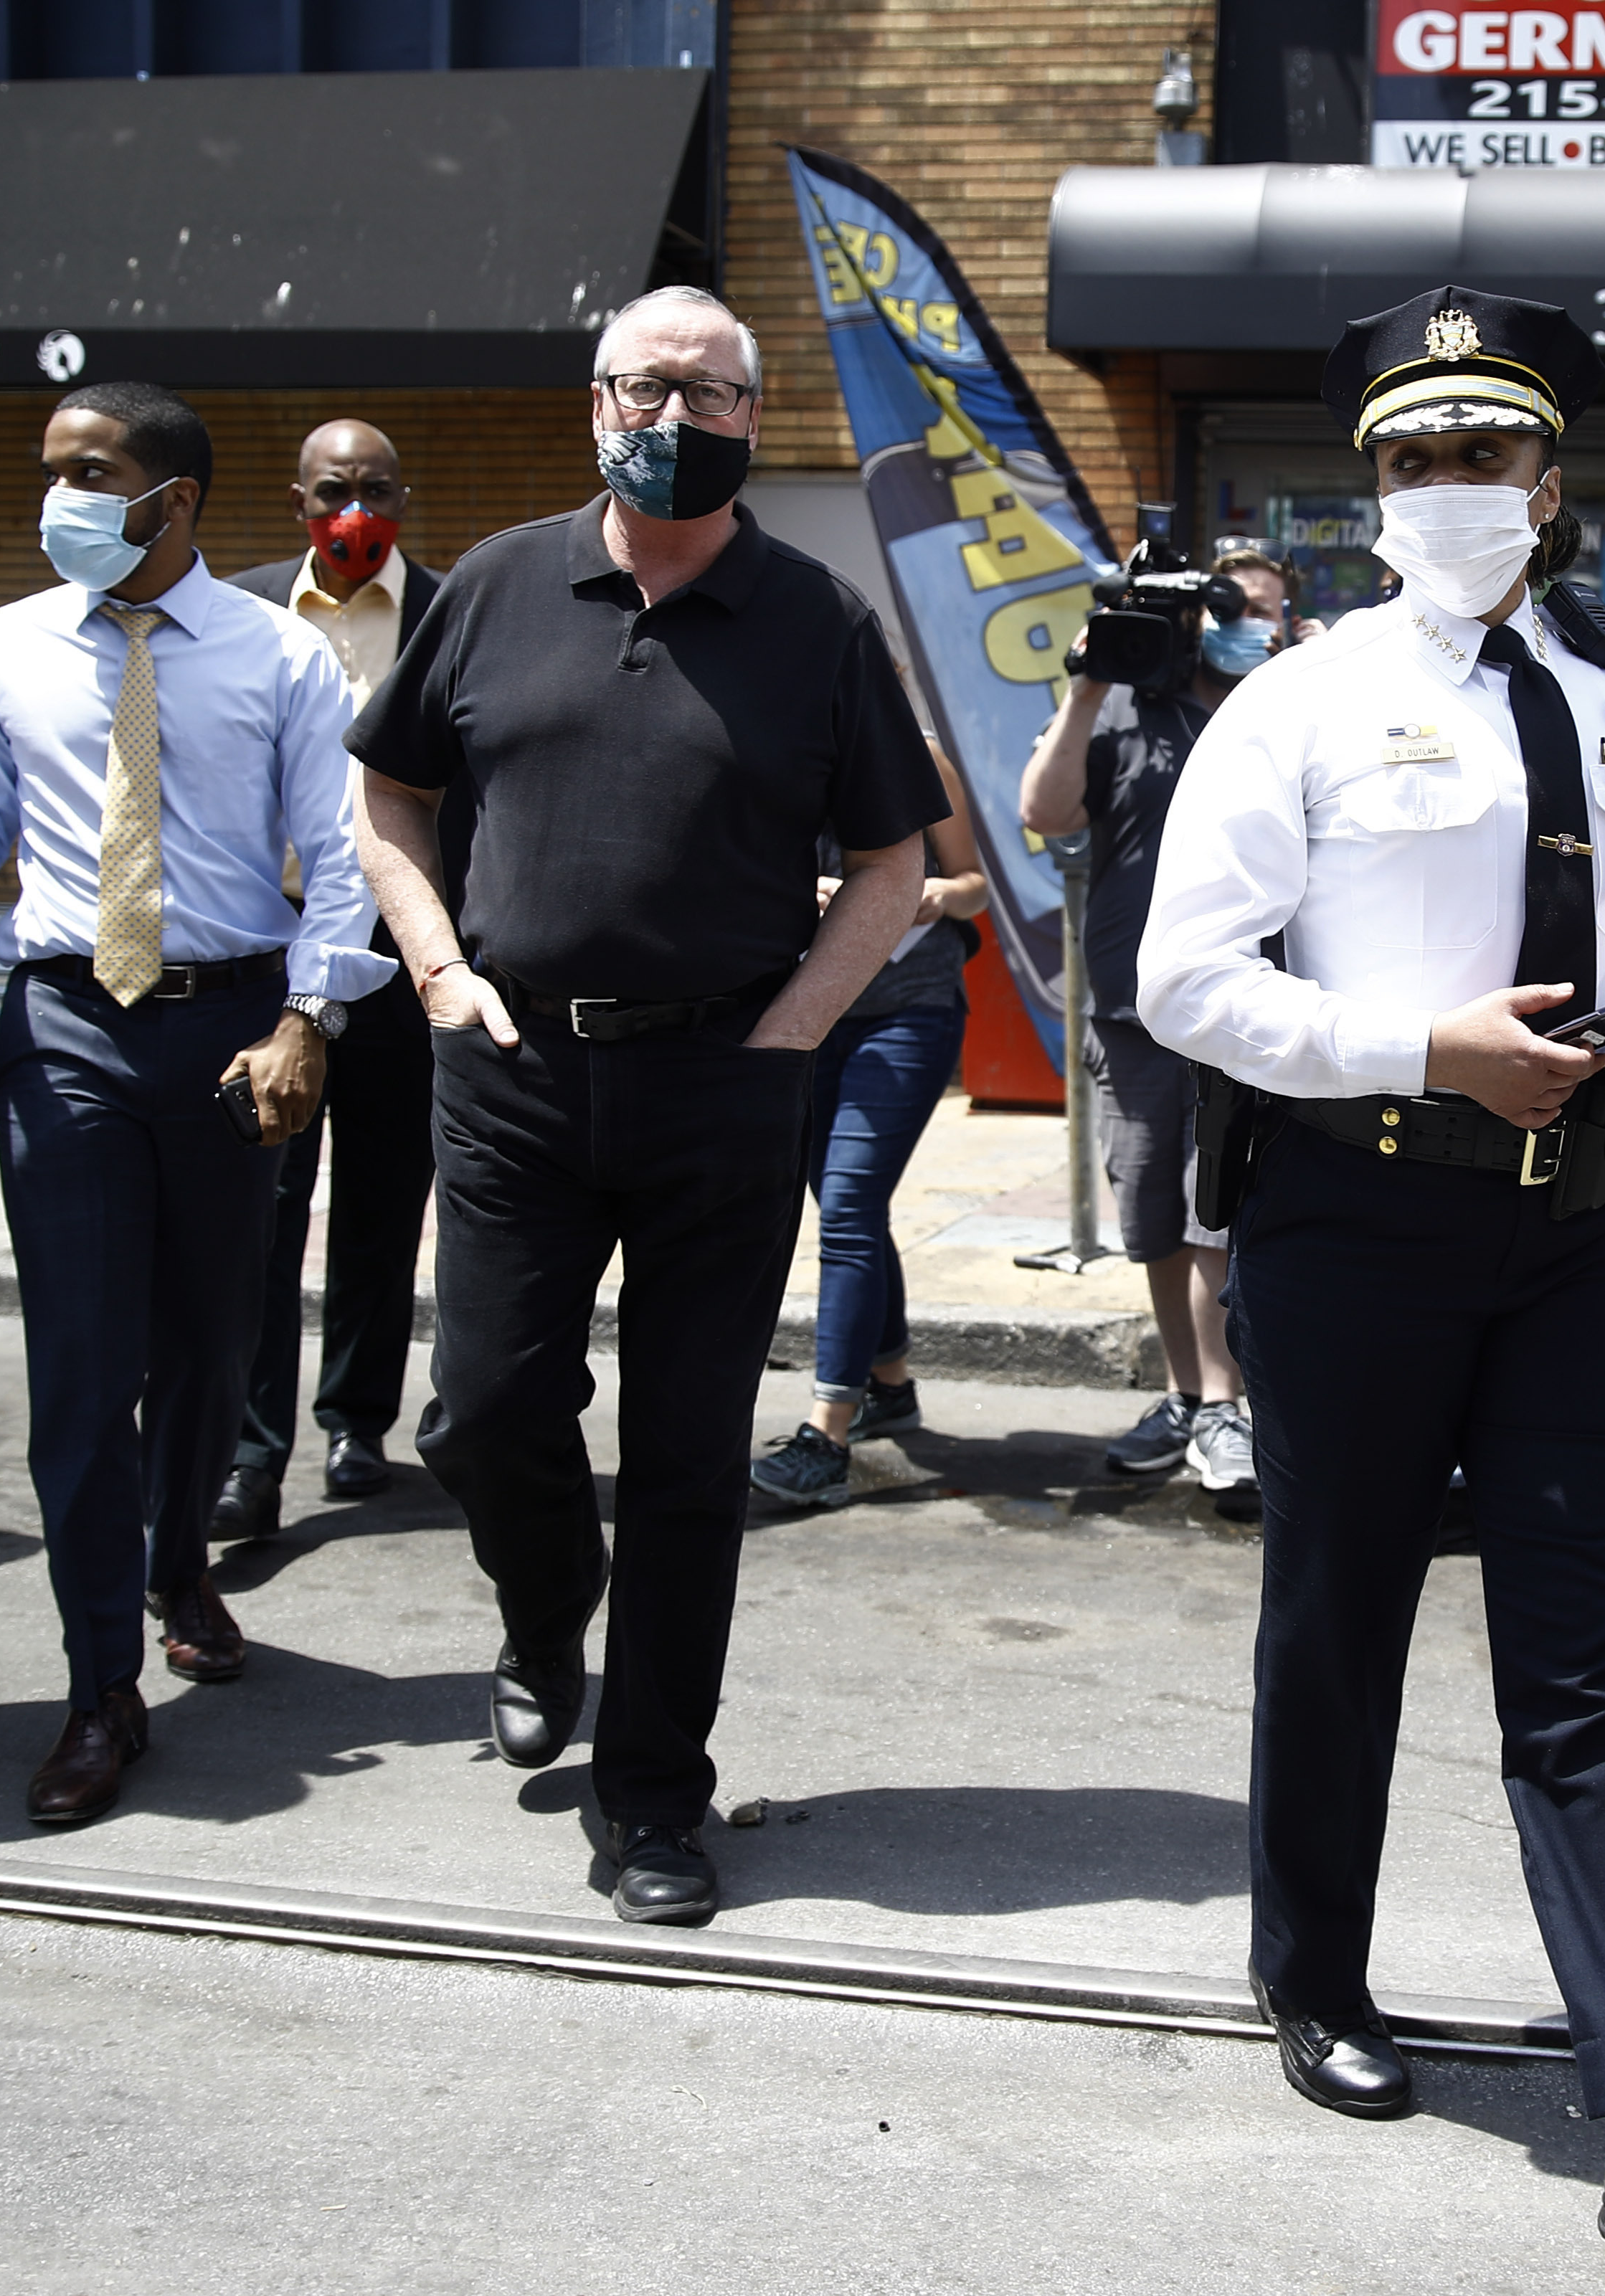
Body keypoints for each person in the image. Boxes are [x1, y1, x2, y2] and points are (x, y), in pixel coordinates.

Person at [1140, 285, 1605, 2257]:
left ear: (1547, 478)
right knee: (1338, 1618)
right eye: (1418, 456)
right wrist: (1418, 1044)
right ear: (1373, 485)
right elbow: (1186, 981)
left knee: (1589, 1662)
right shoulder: (1296, 700)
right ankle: (1316, 1973)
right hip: (1355, 1222)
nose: (1455, 485)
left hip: (1582, 1232)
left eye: (1489, 453)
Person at [346, 285, 947, 1927]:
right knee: (478, 1407)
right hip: (515, 1072)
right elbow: (390, 788)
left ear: (757, 418)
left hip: (716, 1090)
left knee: (686, 1456)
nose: (670, 421)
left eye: (709, 394)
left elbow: (893, 857)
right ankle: (547, 1619)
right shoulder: (490, 585)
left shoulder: (814, 618)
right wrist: (436, 968)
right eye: (642, 388)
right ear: (593, 401)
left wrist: (792, 1034)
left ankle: (655, 1797)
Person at [0, 381, 385, 1824]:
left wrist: (308, 1018)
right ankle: (100, 1683)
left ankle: (180, 1567)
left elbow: (334, 855)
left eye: (92, 474)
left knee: (212, 1342)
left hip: (231, 1029)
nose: (62, 501)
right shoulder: (6, 643)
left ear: (175, 500)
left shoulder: (279, 654)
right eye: (52, 472)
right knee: (84, 1369)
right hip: (62, 1030)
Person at [211, 419, 463, 1537]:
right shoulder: (242, 610)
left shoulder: (454, 610)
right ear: (297, 500)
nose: (351, 511)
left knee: (381, 1200)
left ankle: (357, 1419)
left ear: (403, 495)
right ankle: (250, 1447)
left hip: (405, 959)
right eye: (330, 491)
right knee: (263, 1206)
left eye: (373, 489)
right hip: (272, 957)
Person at [1019, 544, 1300, 1494]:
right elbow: (1043, 810)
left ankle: (1225, 1402)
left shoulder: (1297, 710)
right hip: (1133, 1012)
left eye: (1265, 607)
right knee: (1150, 1211)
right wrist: (1089, 689)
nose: (1247, 623)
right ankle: (1188, 1395)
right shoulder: (1130, 711)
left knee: (1212, 1208)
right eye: (1230, 606)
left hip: (1255, 1009)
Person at [747, 741, 994, 1505]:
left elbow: (976, 886)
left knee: (849, 1207)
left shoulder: (917, 759)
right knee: (849, 1206)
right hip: (807, 1010)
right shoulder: (771, 747)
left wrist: (931, 896)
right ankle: (890, 1381)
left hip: (907, 1012)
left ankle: (828, 1431)